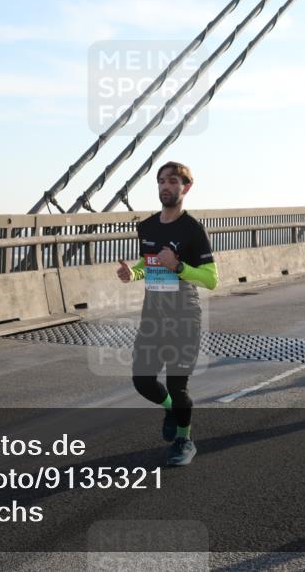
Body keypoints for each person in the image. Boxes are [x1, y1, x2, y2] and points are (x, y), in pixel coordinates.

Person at [116, 161, 218, 466]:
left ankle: (184, 440)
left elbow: (211, 279)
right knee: (142, 380)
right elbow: (147, 264)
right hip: (153, 315)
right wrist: (131, 274)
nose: (166, 186)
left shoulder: (192, 229)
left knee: (178, 384)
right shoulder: (146, 227)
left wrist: (179, 266)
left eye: (173, 181)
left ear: (185, 188)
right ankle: (171, 409)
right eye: (161, 181)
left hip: (184, 316)